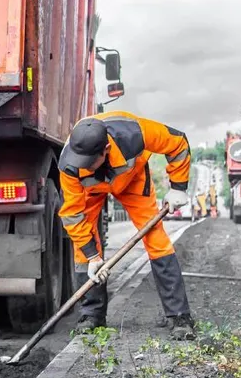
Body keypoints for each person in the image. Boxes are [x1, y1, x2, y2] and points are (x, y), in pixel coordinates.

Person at [57, 111, 196, 340]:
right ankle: (92, 315)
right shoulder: (69, 164)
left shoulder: (134, 133)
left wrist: (178, 187)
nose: (85, 166)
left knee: (156, 240)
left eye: (89, 162)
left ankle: (179, 316)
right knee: (83, 249)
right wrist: (93, 257)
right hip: (91, 191)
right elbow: (72, 214)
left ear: (106, 151)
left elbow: (178, 142)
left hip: (132, 181)